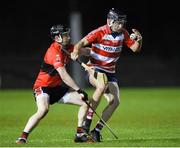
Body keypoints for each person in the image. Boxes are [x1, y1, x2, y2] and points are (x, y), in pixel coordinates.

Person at [71, 8, 143, 142]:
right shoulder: (100, 32)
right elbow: (80, 43)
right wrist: (76, 50)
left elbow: (135, 49)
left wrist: (139, 39)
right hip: (94, 69)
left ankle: (96, 130)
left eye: (122, 23)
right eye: (118, 23)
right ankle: (87, 123)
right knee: (101, 85)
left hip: (110, 72)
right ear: (110, 21)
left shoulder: (123, 33)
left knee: (115, 102)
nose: (121, 26)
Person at [16, 24, 93, 144]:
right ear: (57, 38)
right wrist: (79, 89)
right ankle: (22, 137)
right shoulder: (53, 51)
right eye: (65, 35)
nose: (68, 36)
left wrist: (102, 52)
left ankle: (79, 134)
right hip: (43, 87)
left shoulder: (68, 47)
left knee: (85, 102)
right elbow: (63, 75)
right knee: (43, 110)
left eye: (68, 34)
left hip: (56, 88)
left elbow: (86, 51)